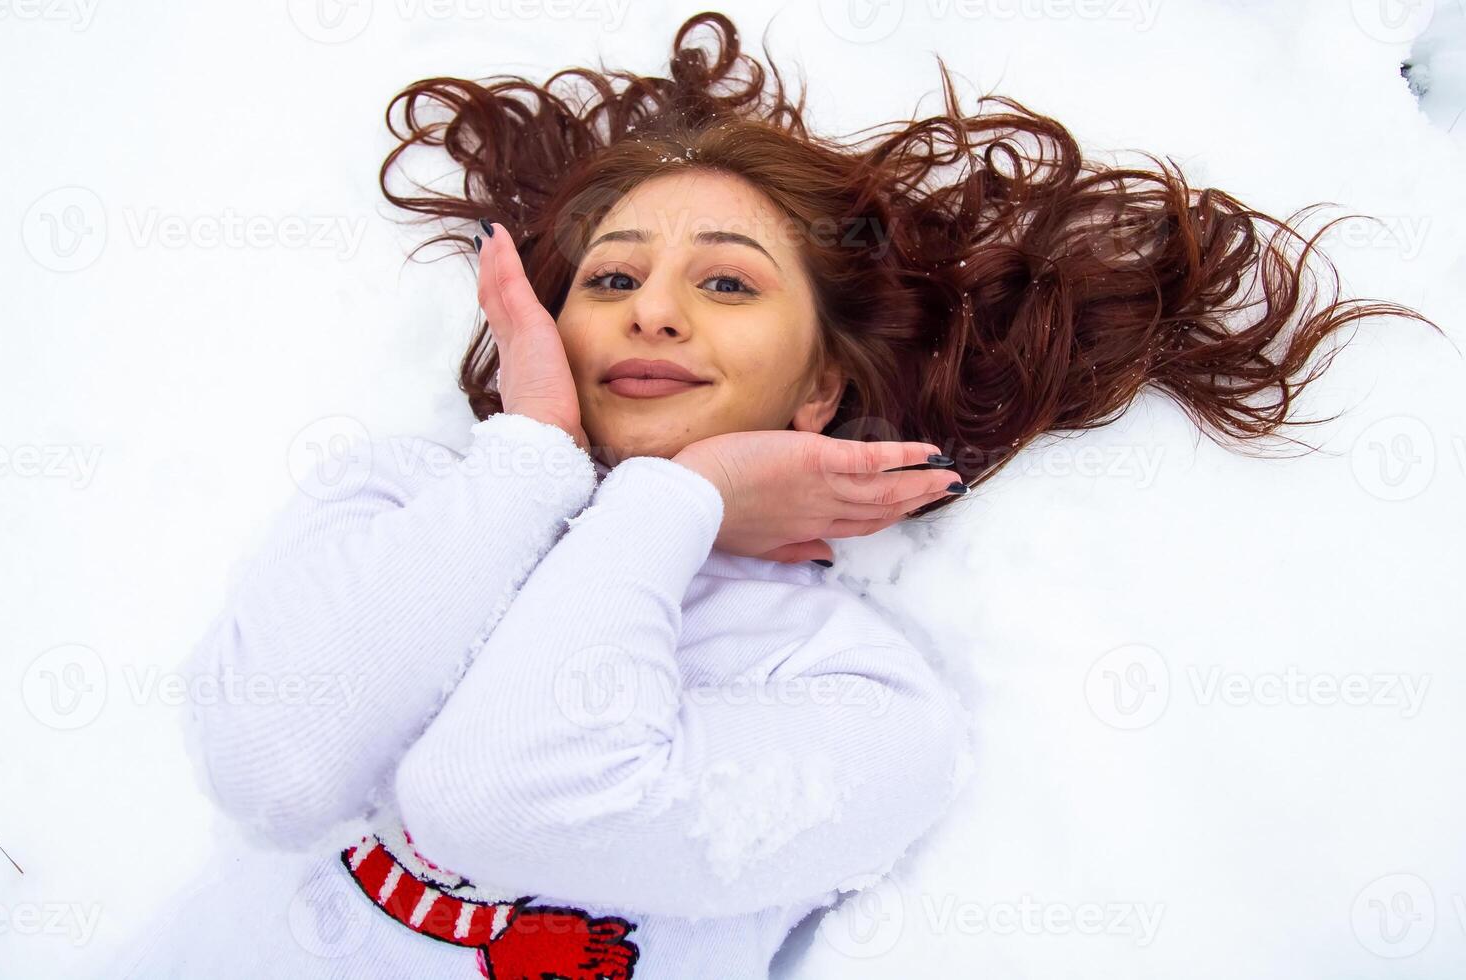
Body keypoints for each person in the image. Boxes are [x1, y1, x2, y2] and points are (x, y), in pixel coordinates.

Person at [121, 9, 1441, 979]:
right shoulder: (398, 498)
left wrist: (668, 508)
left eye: (729, 282)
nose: (655, 310)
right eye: (611, 277)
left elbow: (504, 799)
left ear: (820, 388)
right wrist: (530, 456)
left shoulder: (861, 700)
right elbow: (277, 769)